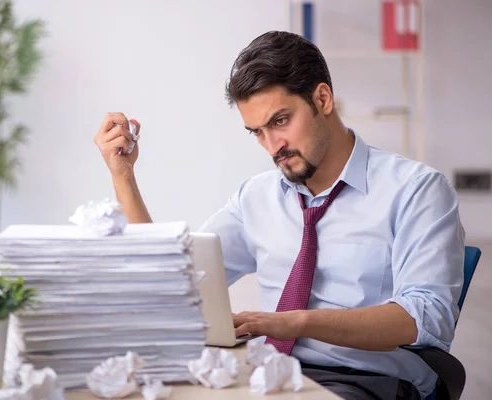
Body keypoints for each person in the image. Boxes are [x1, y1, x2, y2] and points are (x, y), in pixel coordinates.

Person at [93, 31, 465, 400]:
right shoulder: (255, 197)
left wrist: (292, 322)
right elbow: (175, 282)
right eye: (257, 132)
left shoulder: (416, 190)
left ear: (322, 99)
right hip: (267, 373)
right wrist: (123, 177)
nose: (273, 146)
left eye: (280, 121)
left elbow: (425, 318)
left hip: (368, 379)